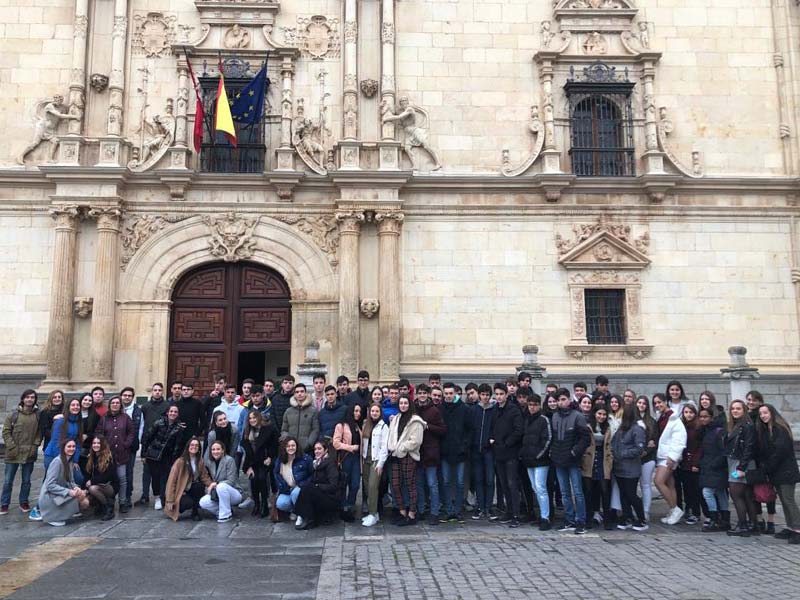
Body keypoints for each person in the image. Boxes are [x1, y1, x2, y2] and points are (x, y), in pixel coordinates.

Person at [755, 404, 800, 544]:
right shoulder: (767, 429)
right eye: (761, 414)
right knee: (784, 501)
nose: (763, 416)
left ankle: (797, 529)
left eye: (765, 413)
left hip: (786, 471)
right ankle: (790, 527)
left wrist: (767, 467)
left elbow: (779, 451)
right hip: (777, 472)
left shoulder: (780, 428)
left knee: (789, 501)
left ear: (772, 413)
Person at [550, 387, 591, 534]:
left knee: (577, 492)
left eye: (563, 399)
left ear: (568, 399)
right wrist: (553, 454)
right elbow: (554, 438)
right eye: (558, 400)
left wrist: (574, 452)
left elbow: (585, 438)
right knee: (564, 492)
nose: (560, 403)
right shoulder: (554, 417)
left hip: (573, 460)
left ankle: (581, 520)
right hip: (559, 459)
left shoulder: (577, 416)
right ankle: (569, 519)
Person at [387, 396, 425, 526]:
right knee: (396, 485)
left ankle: (412, 513)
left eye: (405, 403)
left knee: (410, 485)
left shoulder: (416, 421)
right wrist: (392, 449)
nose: (403, 405)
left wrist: (401, 448)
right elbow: (391, 436)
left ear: (409, 404)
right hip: (395, 455)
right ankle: (402, 511)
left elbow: (416, 441)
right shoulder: (396, 418)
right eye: (401, 403)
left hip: (408, 455)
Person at [489, 382, 524, 528]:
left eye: (501, 394)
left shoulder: (514, 410)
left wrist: (507, 443)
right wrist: (493, 440)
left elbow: (518, 430)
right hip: (498, 452)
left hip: (511, 453)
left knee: (512, 484)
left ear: (506, 395)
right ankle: (509, 512)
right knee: (503, 484)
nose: (498, 397)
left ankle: (516, 514)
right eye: (496, 394)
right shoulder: (495, 409)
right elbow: (492, 427)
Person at [1, 389, 41, 515]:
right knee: (8, 481)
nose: (30, 399)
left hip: (29, 452)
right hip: (13, 453)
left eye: (32, 397)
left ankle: (24, 501)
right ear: (23, 399)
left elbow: (39, 433)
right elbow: (6, 432)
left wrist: (35, 446)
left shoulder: (38, 415)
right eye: (27, 397)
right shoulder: (13, 414)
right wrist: (11, 447)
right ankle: (4, 503)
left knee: (26, 480)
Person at [95, 396, 135, 513]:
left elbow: (131, 432)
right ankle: (107, 502)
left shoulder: (126, 418)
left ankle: (122, 502)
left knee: (122, 479)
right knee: (106, 480)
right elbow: (98, 433)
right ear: (110, 404)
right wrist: (104, 447)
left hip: (122, 454)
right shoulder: (103, 419)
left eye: (117, 403)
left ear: (120, 405)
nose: (115, 404)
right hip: (107, 455)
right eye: (113, 402)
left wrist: (126, 444)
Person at [611, 403, 648, 531]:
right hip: (619, 467)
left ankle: (642, 519)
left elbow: (639, 448)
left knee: (631, 494)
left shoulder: (637, 429)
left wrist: (622, 454)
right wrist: (614, 454)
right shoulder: (621, 429)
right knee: (623, 494)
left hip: (631, 468)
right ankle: (627, 516)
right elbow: (613, 443)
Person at [141, 404, 184, 510]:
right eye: (171, 411)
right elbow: (147, 437)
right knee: (155, 477)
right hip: (153, 455)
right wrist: (143, 453)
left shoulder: (179, 428)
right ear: (167, 413)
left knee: (166, 477)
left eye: (175, 412)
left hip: (167, 456)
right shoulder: (158, 423)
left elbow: (177, 445)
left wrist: (175, 458)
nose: (173, 413)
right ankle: (157, 498)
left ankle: (164, 497)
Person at [438, 382, 470, 523]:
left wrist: (465, 445)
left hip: (460, 451)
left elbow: (469, 430)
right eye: (447, 394)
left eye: (451, 393)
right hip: (445, 451)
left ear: (456, 393)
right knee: (445, 482)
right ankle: (448, 510)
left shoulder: (464, 408)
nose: (449, 396)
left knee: (460, 482)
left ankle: (458, 510)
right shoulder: (439, 409)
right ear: (444, 394)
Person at [725, 399, 757, 537]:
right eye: (733, 409)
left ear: (744, 410)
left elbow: (749, 447)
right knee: (746, 495)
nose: (735, 411)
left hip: (741, 463)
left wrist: (741, 467)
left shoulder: (747, 425)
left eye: (738, 408)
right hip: (736, 461)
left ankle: (742, 525)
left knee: (736, 494)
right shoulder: (737, 425)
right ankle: (753, 524)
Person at [38, 439, 90, 527]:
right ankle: (53, 516)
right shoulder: (57, 462)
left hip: (59, 492)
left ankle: (64, 513)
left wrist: (76, 488)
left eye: (73, 446)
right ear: (63, 448)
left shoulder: (69, 462)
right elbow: (50, 485)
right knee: (83, 501)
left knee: (84, 499)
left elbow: (71, 480)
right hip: (50, 496)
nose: (72, 449)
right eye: (69, 446)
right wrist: (69, 492)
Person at [653, 393, 687, 525]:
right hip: (662, 454)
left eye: (660, 402)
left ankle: (675, 509)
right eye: (655, 403)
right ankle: (673, 511)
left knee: (658, 481)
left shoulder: (674, 419)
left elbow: (679, 439)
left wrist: (673, 457)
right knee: (669, 484)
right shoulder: (661, 417)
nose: (658, 405)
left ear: (666, 402)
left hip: (668, 456)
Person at [520, 393, 552, 530]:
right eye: (530, 405)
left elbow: (548, 439)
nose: (532, 407)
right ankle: (541, 515)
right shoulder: (527, 419)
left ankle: (546, 517)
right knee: (535, 488)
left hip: (541, 460)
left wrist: (539, 455)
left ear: (539, 405)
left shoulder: (544, 419)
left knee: (541, 488)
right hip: (529, 460)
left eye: (534, 405)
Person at [415, 384, 445, 525]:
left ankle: (434, 512)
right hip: (416, 452)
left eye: (424, 393)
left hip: (431, 452)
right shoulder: (413, 409)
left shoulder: (434, 410)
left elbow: (442, 429)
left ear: (428, 394)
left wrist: (428, 426)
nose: (422, 395)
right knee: (419, 484)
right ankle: (420, 509)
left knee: (432, 484)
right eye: (419, 393)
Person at [137, 382, 172, 506]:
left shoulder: (167, 406)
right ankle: (145, 495)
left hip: (162, 443)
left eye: (159, 390)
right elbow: (143, 424)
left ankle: (162, 495)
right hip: (149, 443)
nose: (157, 392)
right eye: (155, 390)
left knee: (162, 472)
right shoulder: (145, 407)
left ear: (162, 391)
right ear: (152, 391)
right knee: (147, 471)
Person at [294, 440, 342, 530]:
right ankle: (303, 515)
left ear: (326, 450)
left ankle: (306, 518)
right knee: (306, 487)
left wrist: (317, 486)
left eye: (319, 448)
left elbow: (333, 485)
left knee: (309, 488)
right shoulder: (316, 463)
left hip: (331, 497)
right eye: (315, 449)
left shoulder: (330, 463)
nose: (316, 451)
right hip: (321, 494)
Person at [747, 390, 776, 533]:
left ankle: (771, 521)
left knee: (769, 491)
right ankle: (759, 519)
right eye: (749, 400)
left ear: (760, 401)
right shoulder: (747, 416)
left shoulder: (763, 416)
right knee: (755, 490)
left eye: (754, 400)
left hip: (765, 458)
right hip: (753, 458)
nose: (751, 402)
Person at [242, 409, 279, 518]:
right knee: (253, 479)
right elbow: (247, 451)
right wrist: (247, 466)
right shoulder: (248, 431)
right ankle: (256, 504)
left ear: (259, 417)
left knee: (262, 478)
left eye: (254, 417)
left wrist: (270, 457)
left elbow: (274, 445)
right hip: (252, 461)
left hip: (264, 460)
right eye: (250, 418)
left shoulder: (268, 429)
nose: (252, 420)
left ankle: (264, 504)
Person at [165, 437, 212, 522]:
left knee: (199, 486)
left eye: (197, 445)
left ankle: (195, 512)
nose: (194, 447)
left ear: (199, 449)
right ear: (188, 447)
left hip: (192, 488)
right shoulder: (180, 462)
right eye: (192, 445)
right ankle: (181, 506)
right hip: (180, 490)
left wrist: (211, 485)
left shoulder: (199, 461)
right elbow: (171, 481)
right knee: (187, 503)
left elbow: (204, 476)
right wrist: (169, 500)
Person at [698, 407, 730, 532]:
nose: (702, 419)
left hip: (715, 467)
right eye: (701, 417)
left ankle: (715, 519)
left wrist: (714, 464)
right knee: (720, 492)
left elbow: (723, 451)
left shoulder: (718, 431)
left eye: (705, 417)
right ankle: (724, 519)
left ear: (711, 417)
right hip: (709, 466)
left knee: (708, 492)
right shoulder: (705, 431)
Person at [582, 405, 612, 530]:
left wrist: (610, 461)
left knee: (604, 490)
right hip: (589, 459)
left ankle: (607, 520)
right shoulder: (588, 426)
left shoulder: (608, 428)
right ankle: (589, 518)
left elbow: (610, 446)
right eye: (599, 414)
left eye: (604, 415)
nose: (601, 417)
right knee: (588, 491)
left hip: (603, 459)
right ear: (595, 414)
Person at [469, 383, 496, 520]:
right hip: (476, 449)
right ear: (479, 395)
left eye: (487, 395)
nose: (485, 397)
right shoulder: (474, 410)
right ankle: (480, 506)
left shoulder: (493, 410)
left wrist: (492, 438)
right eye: (483, 394)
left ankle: (489, 507)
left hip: (489, 450)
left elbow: (496, 427)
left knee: (490, 479)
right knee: (478, 479)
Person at [333, 403, 364, 522]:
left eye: (359, 411)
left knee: (355, 484)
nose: (358, 413)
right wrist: (350, 447)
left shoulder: (357, 426)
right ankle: (343, 507)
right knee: (344, 483)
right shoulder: (341, 425)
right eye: (356, 411)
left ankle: (351, 505)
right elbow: (336, 443)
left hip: (356, 459)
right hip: (346, 458)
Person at [200, 440, 243, 523]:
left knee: (221, 486)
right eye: (213, 449)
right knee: (203, 502)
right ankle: (222, 511)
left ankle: (225, 515)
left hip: (233, 493)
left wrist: (215, 484)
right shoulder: (209, 462)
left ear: (223, 450)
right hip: (217, 492)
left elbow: (231, 481)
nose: (215, 452)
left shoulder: (229, 460)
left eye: (218, 449)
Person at [361, 403, 389, 527]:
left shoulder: (384, 427)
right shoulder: (366, 425)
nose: (374, 413)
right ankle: (374, 513)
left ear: (380, 412)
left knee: (373, 486)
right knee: (367, 487)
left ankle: (372, 514)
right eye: (372, 411)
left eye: (377, 411)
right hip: (366, 459)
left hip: (376, 460)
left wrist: (381, 463)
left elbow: (384, 447)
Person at [676, 403, 703, 525]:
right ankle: (689, 510)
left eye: (691, 412)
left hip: (693, 462)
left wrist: (696, 463)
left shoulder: (698, 427)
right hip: (683, 462)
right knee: (686, 489)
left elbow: (700, 447)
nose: (688, 415)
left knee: (695, 490)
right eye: (686, 412)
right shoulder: (682, 425)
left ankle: (696, 513)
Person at [274, 436, 312, 519]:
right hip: (287, 489)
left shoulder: (305, 458)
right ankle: (294, 510)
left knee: (296, 493)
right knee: (280, 503)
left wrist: (302, 484)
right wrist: (282, 486)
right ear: (284, 448)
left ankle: (301, 514)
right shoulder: (280, 460)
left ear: (297, 446)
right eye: (288, 446)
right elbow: (276, 474)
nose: (291, 448)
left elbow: (312, 475)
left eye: (293, 445)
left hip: (300, 487)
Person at [84, 435, 119, 521]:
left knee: (92, 488)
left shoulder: (109, 456)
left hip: (110, 486)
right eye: (94, 443)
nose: (96, 445)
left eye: (98, 443)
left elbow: (109, 476)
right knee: (86, 497)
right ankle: (99, 504)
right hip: (98, 485)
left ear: (103, 444)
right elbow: (87, 474)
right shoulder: (91, 457)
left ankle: (108, 508)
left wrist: (92, 481)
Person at [119, 386, 143, 511]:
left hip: (130, 448)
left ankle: (127, 497)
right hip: (115, 447)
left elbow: (140, 429)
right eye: (125, 395)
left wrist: (134, 443)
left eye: (129, 395)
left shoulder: (137, 411)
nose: (127, 397)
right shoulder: (115, 408)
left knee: (128, 473)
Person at [281, 383, 319, 454]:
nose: (299, 394)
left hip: (307, 449)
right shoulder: (288, 411)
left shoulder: (313, 411)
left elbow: (315, 430)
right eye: (297, 392)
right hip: (290, 449)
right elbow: (284, 430)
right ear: (294, 394)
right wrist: (288, 442)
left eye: (302, 391)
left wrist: (309, 443)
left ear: (305, 393)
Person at [636, 395, 658, 521]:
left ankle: (646, 511)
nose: (641, 405)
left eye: (644, 403)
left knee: (645, 484)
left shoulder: (651, 421)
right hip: (634, 458)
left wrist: (645, 451)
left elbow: (653, 441)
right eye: (639, 402)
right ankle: (635, 509)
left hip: (648, 458)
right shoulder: (632, 419)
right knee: (633, 486)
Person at [38, 390, 64, 458]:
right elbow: (44, 430)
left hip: (65, 444)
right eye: (54, 397)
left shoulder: (66, 411)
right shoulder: (45, 412)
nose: (57, 399)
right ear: (51, 399)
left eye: (59, 397)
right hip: (50, 444)